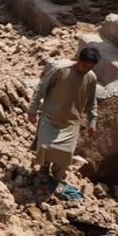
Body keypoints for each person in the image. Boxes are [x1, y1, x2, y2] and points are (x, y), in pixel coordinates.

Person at [27, 47, 100, 186]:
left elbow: (92, 101)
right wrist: (32, 110)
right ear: (79, 60)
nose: (86, 69)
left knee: (66, 153)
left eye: (90, 67)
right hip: (50, 117)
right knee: (45, 147)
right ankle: (44, 169)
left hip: (71, 123)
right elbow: (41, 88)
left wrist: (93, 121)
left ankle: (56, 174)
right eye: (85, 65)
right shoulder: (61, 70)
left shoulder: (91, 78)